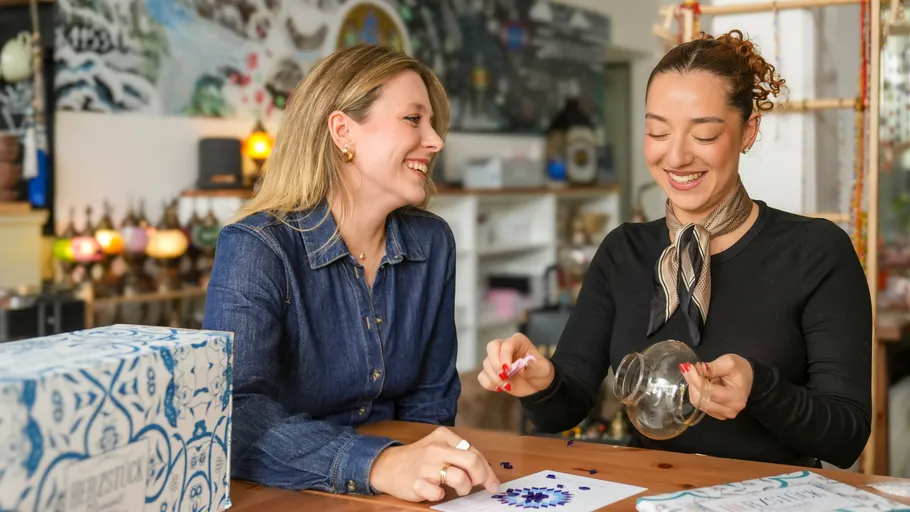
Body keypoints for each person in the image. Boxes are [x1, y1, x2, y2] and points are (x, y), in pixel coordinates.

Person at [477, 30, 872, 470]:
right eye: (657, 132)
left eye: (703, 135)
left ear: (748, 130)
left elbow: (847, 437)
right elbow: (565, 407)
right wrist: (538, 380)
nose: (677, 157)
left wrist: (760, 389)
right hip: (651, 494)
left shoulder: (815, 251)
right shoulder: (623, 251)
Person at [203, 44, 500, 502]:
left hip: (397, 491)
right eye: (413, 119)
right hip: (286, 493)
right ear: (343, 131)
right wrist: (378, 463)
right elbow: (235, 413)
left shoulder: (432, 242)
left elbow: (430, 399)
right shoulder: (257, 246)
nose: (436, 140)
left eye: (434, 123)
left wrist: (426, 470)